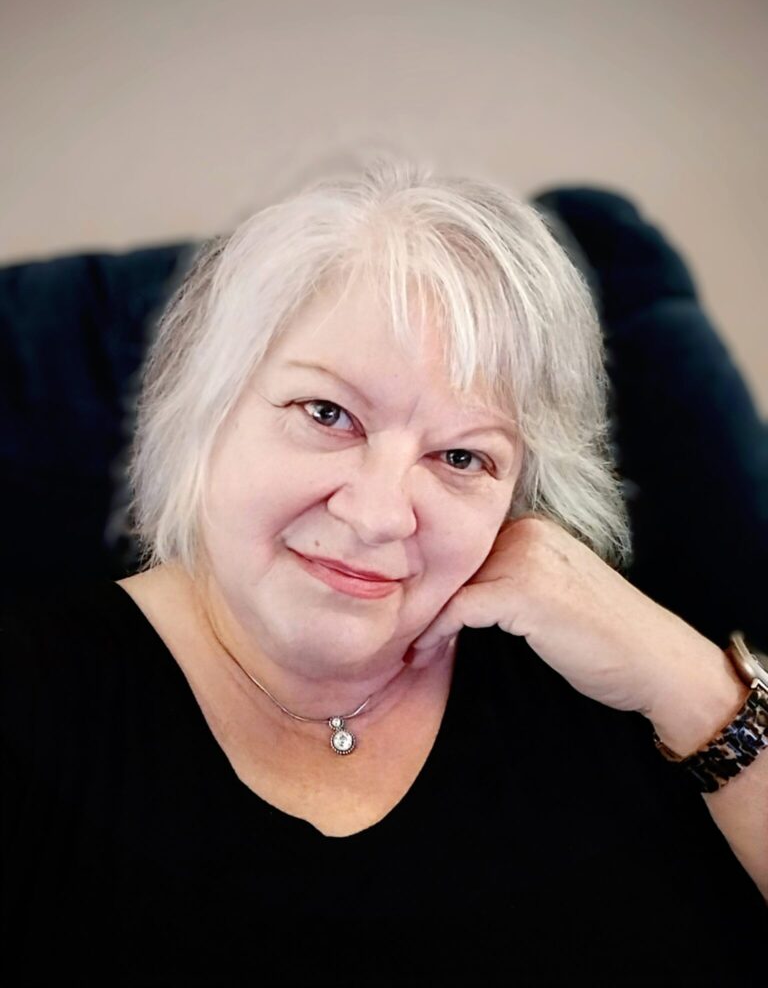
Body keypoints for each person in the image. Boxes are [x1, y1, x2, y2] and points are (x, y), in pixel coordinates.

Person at [2, 156, 766, 986]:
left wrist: (691, 683)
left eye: (462, 455)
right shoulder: (30, 692)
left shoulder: (607, 685)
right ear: (207, 404)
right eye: (328, 414)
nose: (378, 514)